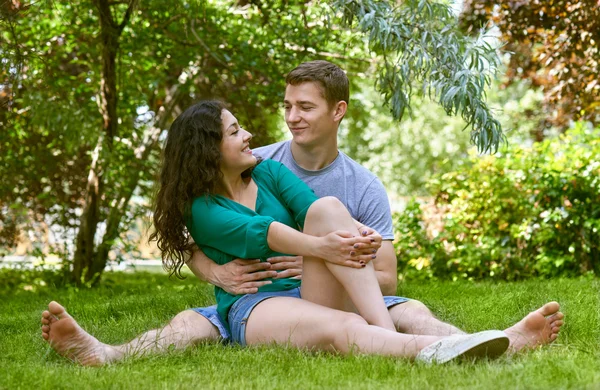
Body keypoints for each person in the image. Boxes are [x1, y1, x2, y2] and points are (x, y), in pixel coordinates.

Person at [41, 61, 564, 366]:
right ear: (211, 150)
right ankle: (104, 354)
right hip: (257, 302)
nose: (284, 120)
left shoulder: (313, 178)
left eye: (304, 107)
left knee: (411, 307)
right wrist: (221, 268)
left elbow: (322, 216)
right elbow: (250, 233)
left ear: (337, 112)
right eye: (284, 107)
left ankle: (491, 341)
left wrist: (337, 241)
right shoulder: (231, 184)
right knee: (195, 323)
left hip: (325, 285)